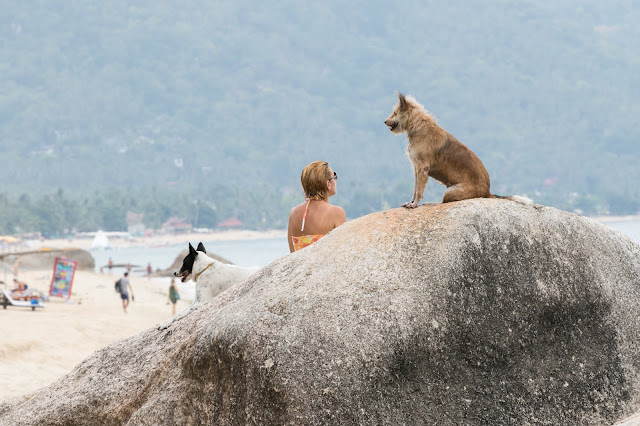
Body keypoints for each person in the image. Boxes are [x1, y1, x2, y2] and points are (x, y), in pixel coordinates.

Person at [287, 161, 346, 252]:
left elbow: (292, 254)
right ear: (328, 184)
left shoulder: (293, 213)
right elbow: (343, 251)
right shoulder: (336, 212)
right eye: (334, 177)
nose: (335, 180)